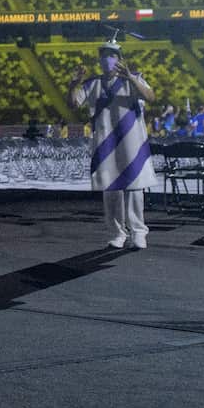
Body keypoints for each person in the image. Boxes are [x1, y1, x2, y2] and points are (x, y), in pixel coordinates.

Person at [67, 36, 156, 249]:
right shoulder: (92, 84)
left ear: (119, 58)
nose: (107, 59)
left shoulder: (133, 79)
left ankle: (138, 232)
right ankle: (117, 233)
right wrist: (73, 84)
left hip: (132, 139)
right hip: (105, 141)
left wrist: (131, 79)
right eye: (104, 56)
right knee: (110, 188)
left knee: (134, 187)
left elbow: (151, 97)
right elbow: (72, 104)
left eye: (111, 55)